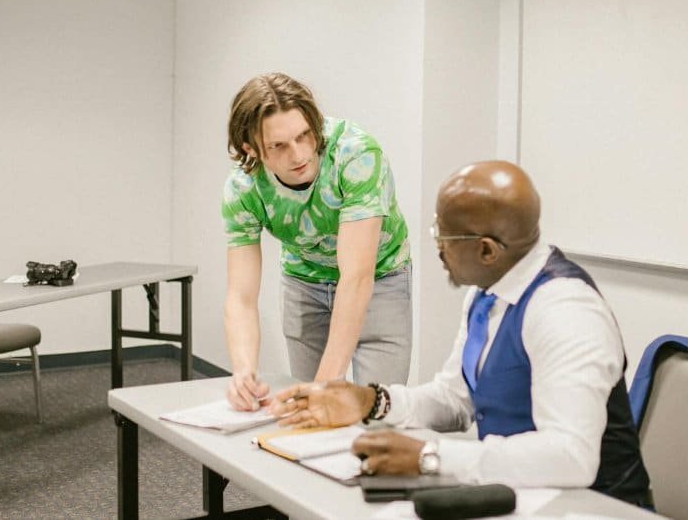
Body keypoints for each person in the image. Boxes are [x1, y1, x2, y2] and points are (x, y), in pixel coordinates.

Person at [268, 161, 652, 506]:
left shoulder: (565, 311)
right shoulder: (488, 293)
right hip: (518, 496)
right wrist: (370, 401)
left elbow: (570, 458)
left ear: (487, 251)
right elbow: (455, 399)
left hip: (591, 506)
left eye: (443, 236)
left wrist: (429, 456)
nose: (436, 248)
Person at [222, 73, 411, 411]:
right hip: (303, 281)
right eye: (278, 146)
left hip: (379, 279)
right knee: (309, 416)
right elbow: (241, 295)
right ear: (251, 149)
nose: (299, 155)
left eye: (304, 136)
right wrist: (243, 372)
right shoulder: (244, 188)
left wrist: (324, 385)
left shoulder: (356, 156)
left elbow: (355, 277)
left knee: (377, 413)